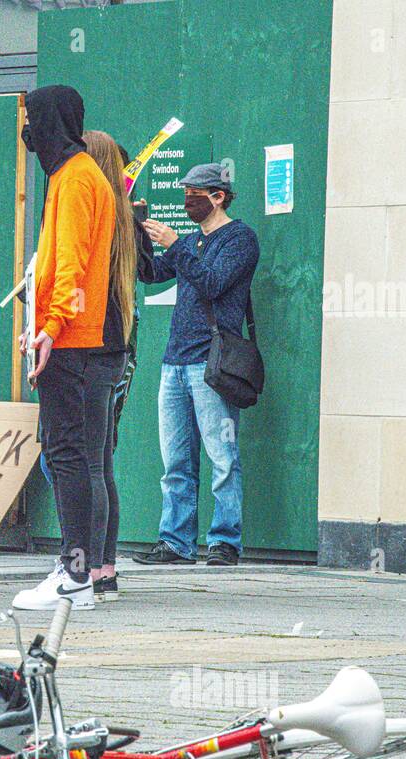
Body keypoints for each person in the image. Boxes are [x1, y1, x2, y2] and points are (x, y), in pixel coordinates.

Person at [11, 85, 115, 613]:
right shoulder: (72, 176)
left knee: (68, 452)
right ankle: (75, 572)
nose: (27, 131)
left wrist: (50, 326)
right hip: (68, 334)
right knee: (69, 450)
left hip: (68, 338)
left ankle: (74, 574)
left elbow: (70, 262)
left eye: (32, 118)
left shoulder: (75, 178)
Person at [133, 162, 259, 567]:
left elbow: (212, 283)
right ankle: (175, 542)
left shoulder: (240, 239)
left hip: (211, 365)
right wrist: (137, 231)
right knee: (175, 463)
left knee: (222, 458)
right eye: (185, 193)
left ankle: (224, 542)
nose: (187, 201)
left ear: (218, 197)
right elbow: (150, 273)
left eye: (195, 194)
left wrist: (175, 244)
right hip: (174, 363)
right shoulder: (189, 241)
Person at [82, 130, 144, 603]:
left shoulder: (95, 214)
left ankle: (83, 565)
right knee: (101, 462)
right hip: (115, 349)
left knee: (83, 462)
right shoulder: (125, 219)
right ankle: (104, 569)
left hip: (88, 348)